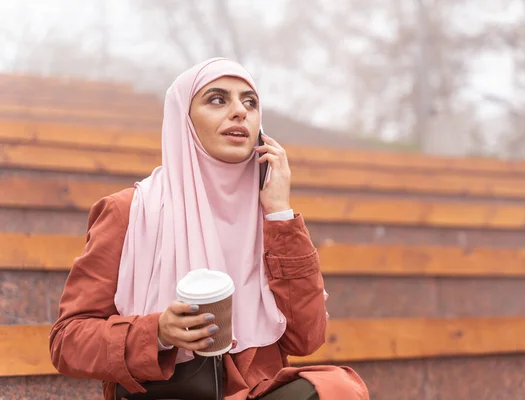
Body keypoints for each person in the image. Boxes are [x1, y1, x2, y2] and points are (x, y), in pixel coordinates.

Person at [49, 57, 369, 400]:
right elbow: (67, 341)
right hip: (167, 393)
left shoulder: (272, 220)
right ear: (183, 121)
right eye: (217, 99)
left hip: (252, 392)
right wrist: (158, 331)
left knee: (338, 389)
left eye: (250, 102)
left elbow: (306, 338)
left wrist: (279, 214)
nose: (239, 112)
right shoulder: (128, 211)